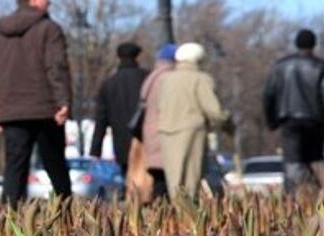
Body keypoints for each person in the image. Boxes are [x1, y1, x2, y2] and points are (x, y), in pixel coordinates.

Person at [0, 0, 72, 205]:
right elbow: (55, 67)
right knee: (55, 166)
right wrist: (63, 102)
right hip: (44, 109)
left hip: (11, 112)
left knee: (14, 168)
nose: (49, 1)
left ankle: (9, 222)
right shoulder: (49, 29)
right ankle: (66, 217)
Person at [157, 42, 231, 199]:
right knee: (191, 177)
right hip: (192, 131)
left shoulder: (165, 80)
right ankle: (189, 214)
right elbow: (213, 111)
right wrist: (227, 123)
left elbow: (159, 106)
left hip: (166, 131)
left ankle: (177, 211)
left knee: (174, 179)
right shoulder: (200, 79)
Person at [263, 29, 324, 192]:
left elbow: (269, 95)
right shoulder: (320, 67)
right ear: (314, 44)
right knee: (316, 160)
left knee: (292, 163)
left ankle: (295, 199)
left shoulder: (280, 67)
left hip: (289, 121)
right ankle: (318, 198)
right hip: (316, 122)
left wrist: (271, 121)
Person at [89, 42, 149, 178]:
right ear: (137, 57)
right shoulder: (147, 78)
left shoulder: (109, 84)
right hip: (146, 139)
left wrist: (95, 149)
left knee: (128, 179)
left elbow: (101, 119)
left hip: (121, 141)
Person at [129, 43, 177, 200]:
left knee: (157, 177)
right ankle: (165, 215)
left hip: (150, 134)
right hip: (165, 134)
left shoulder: (151, 78)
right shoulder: (169, 79)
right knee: (167, 180)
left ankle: (158, 209)